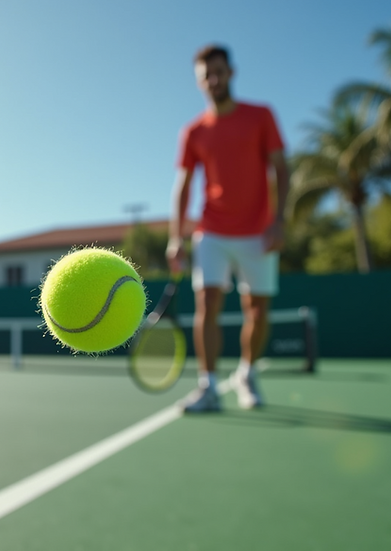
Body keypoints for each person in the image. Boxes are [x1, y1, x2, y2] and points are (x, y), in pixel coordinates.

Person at [166, 44, 289, 413]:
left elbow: (282, 169)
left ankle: (247, 374)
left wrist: (279, 220)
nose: (213, 80)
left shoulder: (261, 115)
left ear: (231, 73)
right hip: (212, 231)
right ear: (199, 82)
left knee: (258, 309)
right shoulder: (193, 131)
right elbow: (183, 186)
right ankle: (208, 386)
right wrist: (177, 237)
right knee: (207, 305)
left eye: (218, 72)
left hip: (258, 231)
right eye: (206, 76)